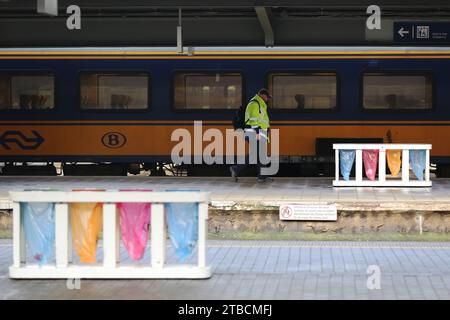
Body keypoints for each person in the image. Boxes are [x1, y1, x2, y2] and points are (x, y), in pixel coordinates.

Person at [230, 88, 272, 182]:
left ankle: (262, 176)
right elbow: (252, 120)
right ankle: (235, 169)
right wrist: (257, 132)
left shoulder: (260, 104)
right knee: (255, 154)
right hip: (254, 132)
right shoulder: (255, 104)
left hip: (259, 132)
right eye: (267, 97)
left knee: (260, 154)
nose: (267, 99)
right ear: (262, 95)